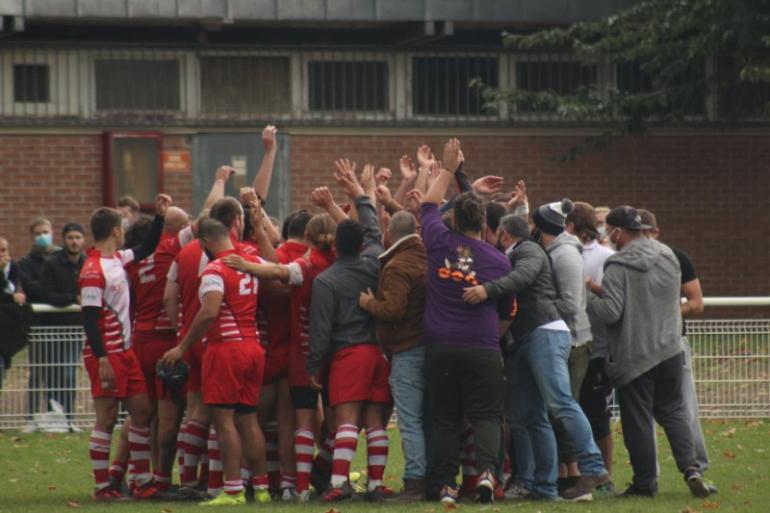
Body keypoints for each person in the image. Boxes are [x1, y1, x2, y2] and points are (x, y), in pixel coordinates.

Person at [464, 208, 608, 502]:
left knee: (559, 401)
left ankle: (592, 466)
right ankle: (541, 486)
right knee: (528, 415)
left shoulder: (528, 250)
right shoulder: (523, 250)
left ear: (504, 234)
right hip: (528, 339)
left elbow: (523, 277)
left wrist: (486, 290)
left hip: (544, 333)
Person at [586, 205, 712, 498]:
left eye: (610, 230)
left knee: (638, 419)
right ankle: (691, 469)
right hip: (670, 348)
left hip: (635, 355)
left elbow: (612, 312)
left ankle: (644, 483)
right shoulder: (669, 256)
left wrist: (587, 298)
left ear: (617, 231)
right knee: (674, 411)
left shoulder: (617, 265)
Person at [420, 139, 514, 506]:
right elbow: (507, 311)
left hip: (441, 347)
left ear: (454, 220)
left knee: (444, 417)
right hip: (482, 349)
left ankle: (446, 486)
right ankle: (488, 474)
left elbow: (428, 205)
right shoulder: (498, 261)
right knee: (487, 416)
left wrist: (447, 169)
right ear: (484, 223)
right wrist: (491, 336)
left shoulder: (439, 241)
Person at [222, 210, 337, 502]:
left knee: (250, 420)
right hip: (324, 352)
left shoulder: (294, 260)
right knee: (308, 420)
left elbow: (275, 270)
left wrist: (246, 261)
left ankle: (256, 480)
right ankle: (296, 482)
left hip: (274, 349)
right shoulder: (337, 258)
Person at [161, 217, 271, 507]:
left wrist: (183, 346)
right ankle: (261, 487)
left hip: (226, 350)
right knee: (248, 419)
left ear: (206, 242)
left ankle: (233, 489)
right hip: (253, 346)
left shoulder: (215, 270)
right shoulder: (250, 261)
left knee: (223, 421)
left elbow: (209, 312)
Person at [305, 159, 392, 503]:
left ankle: (338, 482)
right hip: (377, 352)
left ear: (333, 246)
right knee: (376, 423)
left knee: (346, 420)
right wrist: (359, 193)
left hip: (347, 354)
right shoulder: (374, 262)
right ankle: (375, 486)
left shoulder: (326, 280)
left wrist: (314, 366)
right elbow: (372, 228)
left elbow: (321, 330)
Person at [79, 194, 170, 500]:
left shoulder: (117, 259)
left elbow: (147, 248)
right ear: (115, 231)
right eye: (122, 226)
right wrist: (102, 359)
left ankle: (141, 482)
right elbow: (89, 320)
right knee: (106, 416)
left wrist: (159, 217)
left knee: (142, 411)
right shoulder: (92, 270)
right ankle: (102, 487)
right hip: (106, 354)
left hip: (127, 353)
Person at [638, 208, 715, 494]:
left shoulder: (677, 257)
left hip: (672, 343)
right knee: (642, 413)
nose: (643, 237)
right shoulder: (625, 261)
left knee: (684, 407)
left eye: (648, 231)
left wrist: (665, 314)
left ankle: (698, 469)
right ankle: (649, 474)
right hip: (639, 346)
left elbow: (696, 303)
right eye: (639, 231)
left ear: (657, 232)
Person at [359, 209, 428, 501]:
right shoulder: (427, 257)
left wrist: (370, 303)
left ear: (389, 234)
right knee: (429, 418)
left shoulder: (398, 265)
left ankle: (415, 481)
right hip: (430, 346)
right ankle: (433, 476)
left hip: (407, 349)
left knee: (409, 420)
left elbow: (393, 310)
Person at [126, 206, 195, 493]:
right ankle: (164, 479)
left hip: (139, 340)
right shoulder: (172, 246)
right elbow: (208, 216)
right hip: (166, 342)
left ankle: (132, 475)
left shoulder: (131, 259)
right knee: (171, 418)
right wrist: (219, 181)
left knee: (142, 415)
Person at [532, 199, 594, 486]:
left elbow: (571, 303)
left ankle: (577, 472)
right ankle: (565, 471)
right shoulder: (553, 250)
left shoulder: (565, 255)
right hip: (563, 338)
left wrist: (541, 307)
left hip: (573, 341)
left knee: (563, 408)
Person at [565, 203, 616, 480]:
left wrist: (590, 287)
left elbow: (613, 300)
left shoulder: (606, 257)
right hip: (573, 346)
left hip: (597, 350)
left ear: (572, 226)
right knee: (575, 409)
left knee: (598, 416)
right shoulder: (568, 252)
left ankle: (605, 475)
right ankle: (579, 470)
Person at [40, 222, 87, 429]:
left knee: (68, 373)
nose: (74, 241)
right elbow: (46, 293)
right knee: (52, 373)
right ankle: (54, 416)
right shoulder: (51, 264)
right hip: (52, 327)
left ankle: (68, 417)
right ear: (63, 239)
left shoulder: (87, 263)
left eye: (78, 237)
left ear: (83, 240)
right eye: (70, 237)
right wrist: (72, 299)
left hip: (75, 328)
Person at [0, 237, 29, 388]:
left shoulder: (13, 268)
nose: (1, 255)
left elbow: (14, 290)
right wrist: (11, 297)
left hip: (7, 329)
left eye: (3, 250)